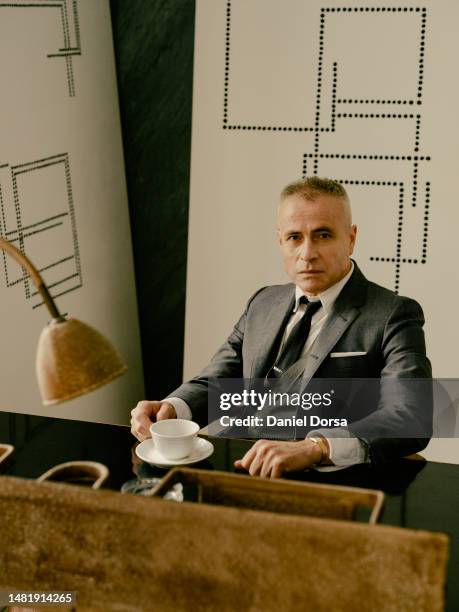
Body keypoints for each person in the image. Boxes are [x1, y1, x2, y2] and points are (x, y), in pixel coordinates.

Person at [131, 177, 432, 478]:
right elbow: (220, 380)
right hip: (242, 467)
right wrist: (172, 408)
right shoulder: (262, 302)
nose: (307, 253)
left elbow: (410, 416)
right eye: (294, 237)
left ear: (351, 238)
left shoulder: (394, 314)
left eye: (323, 235)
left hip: (327, 484)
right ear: (280, 241)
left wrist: (317, 446)